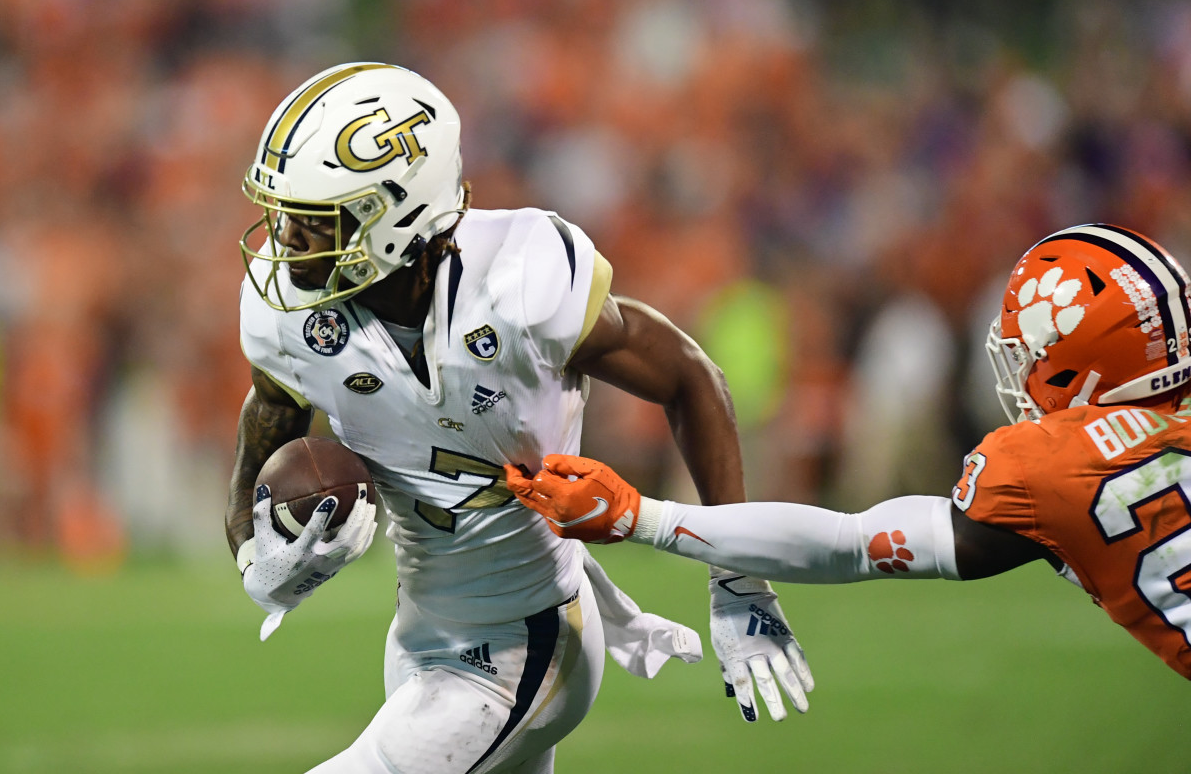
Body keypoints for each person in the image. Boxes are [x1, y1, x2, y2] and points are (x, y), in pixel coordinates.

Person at [225, 62, 813, 774]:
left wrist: (739, 579)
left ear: (393, 215)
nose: (286, 242)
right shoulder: (291, 321)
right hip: (420, 635)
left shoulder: (521, 280)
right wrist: (257, 560)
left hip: (532, 635)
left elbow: (690, 376)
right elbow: (269, 419)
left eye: (314, 222)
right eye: (286, 215)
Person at [507, 223, 1191, 681]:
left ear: (1083, 364)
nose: (1021, 371)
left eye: (1033, 354)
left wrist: (638, 515)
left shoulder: (1054, 465)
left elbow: (849, 542)